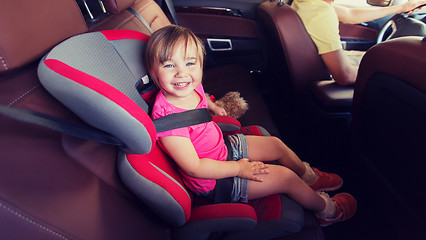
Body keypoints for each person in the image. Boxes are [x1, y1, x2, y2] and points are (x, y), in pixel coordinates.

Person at [146, 25, 356, 226]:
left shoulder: (190, 85)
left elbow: (200, 93)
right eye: (169, 65)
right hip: (215, 181)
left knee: (275, 144)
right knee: (286, 178)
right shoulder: (170, 123)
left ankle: (308, 177)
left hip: (222, 149)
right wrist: (239, 168)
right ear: (153, 71)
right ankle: (326, 211)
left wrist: (212, 106)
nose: (182, 73)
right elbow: (195, 167)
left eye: (190, 63)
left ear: (201, 64)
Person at [291, 0, 426, 86]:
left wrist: (401, 8)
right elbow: (344, 76)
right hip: (324, 83)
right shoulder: (320, 13)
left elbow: (350, 14)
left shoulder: (309, 3)